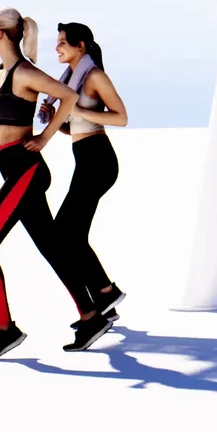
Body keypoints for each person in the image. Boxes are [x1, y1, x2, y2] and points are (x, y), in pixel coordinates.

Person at [0, 7, 108, 361]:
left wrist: (45, 138)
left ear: (2, 34)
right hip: (11, 167)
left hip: (27, 170)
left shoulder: (26, 73)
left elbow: (67, 97)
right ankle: (91, 314)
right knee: (51, 246)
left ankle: (4, 330)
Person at [49, 21, 129, 350]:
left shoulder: (94, 77)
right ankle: (106, 293)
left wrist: (77, 108)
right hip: (83, 154)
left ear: (81, 46)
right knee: (70, 234)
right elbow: (75, 130)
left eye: (63, 43)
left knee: (63, 233)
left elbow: (121, 117)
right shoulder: (69, 80)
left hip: (99, 159)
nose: (57, 49)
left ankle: (102, 300)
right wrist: (56, 117)